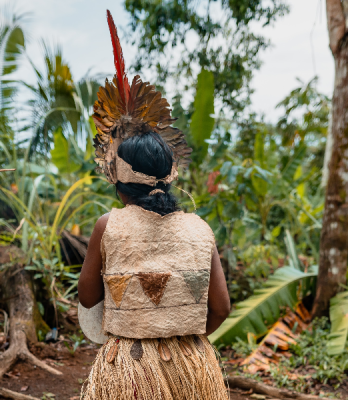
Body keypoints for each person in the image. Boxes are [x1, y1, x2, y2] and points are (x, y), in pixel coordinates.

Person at [76, 11, 231, 400]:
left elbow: (87, 297)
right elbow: (222, 308)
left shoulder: (107, 225)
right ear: (169, 175)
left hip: (128, 368)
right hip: (195, 365)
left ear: (120, 184)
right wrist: (184, 340)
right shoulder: (200, 228)